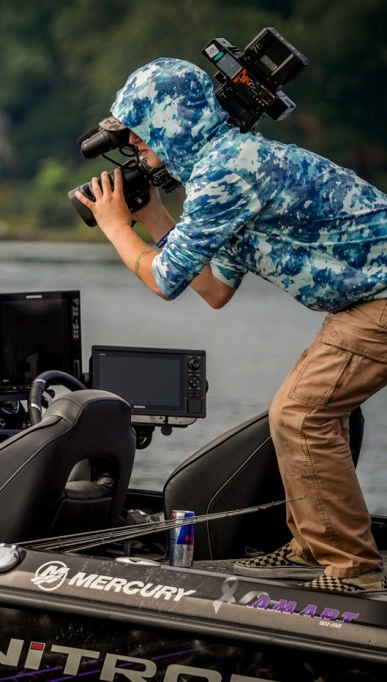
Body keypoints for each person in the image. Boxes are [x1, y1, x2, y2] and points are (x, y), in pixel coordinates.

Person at [75, 58, 387, 594]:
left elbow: (165, 280)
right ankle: (313, 547)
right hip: (365, 301)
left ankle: (353, 567)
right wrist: (152, 218)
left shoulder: (227, 172)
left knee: (301, 414)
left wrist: (115, 226)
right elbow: (215, 288)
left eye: (139, 132)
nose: (135, 146)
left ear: (172, 124)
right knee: (304, 412)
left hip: (379, 299)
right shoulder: (223, 169)